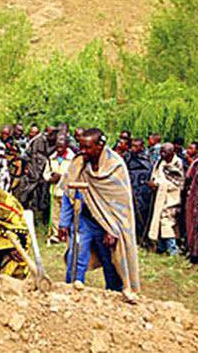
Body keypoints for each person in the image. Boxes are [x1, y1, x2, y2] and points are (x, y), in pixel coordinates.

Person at [58, 128, 139, 300]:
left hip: (107, 224)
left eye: (87, 147)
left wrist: (113, 229)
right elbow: (68, 192)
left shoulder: (115, 166)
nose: (83, 151)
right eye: (81, 147)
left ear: (100, 145)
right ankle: (72, 290)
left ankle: (115, 295)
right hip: (83, 220)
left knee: (111, 261)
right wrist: (64, 223)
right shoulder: (79, 163)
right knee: (76, 256)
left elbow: (120, 205)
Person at [147, 143, 184, 255]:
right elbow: (156, 175)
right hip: (160, 196)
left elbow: (177, 183)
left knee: (167, 221)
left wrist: (157, 184)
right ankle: (161, 247)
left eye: (165, 152)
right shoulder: (160, 162)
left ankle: (173, 249)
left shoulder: (177, 163)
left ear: (172, 152)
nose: (162, 154)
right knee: (159, 220)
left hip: (171, 198)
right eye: (161, 152)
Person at [17, 126, 57, 226]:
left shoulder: (56, 142)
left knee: (44, 197)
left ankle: (44, 221)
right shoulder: (37, 141)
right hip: (33, 173)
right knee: (26, 196)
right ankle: (25, 218)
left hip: (45, 174)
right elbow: (28, 156)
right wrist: (26, 169)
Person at [42, 137, 74, 243]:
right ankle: (56, 234)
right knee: (55, 214)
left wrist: (61, 177)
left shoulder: (72, 158)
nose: (59, 149)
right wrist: (50, 179)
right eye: (58, 146)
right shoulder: (52, 158)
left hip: (67, 192)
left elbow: (74, 175)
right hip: (54, 191)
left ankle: (67, 234)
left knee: (66, 214)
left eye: (62, 146)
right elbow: (46, 173)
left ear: (66, 146)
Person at [126, 138, 153, 245]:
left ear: (141, 147)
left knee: (143, 215)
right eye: (132, 146)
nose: (133, 149)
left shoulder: (147, 160)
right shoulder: (127, 158)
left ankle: (143, 238)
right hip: (131, 191)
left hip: (143, 193)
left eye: (136, 146)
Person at [0, 125, 24, 197]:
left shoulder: (13, 144)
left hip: (10, 171)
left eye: (6, 134)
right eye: (3, 133)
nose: (4, 135)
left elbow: (18, 160)